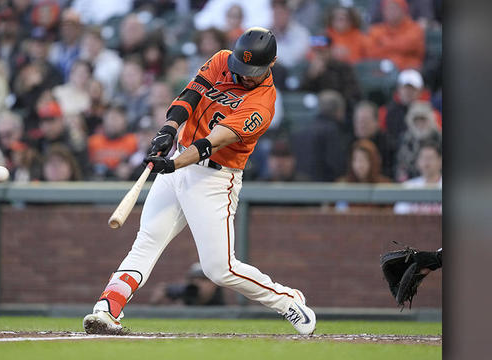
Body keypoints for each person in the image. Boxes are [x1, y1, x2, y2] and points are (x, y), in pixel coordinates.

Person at [83, 28, 316, 336]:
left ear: (270, 64)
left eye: (252, 73)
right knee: (147, 240)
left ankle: (288, 300)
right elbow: (190, 95)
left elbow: (213, 142)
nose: (244, 77)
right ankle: (107, 308)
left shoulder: (263, 103)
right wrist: (167, 129)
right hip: (180, 159)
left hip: (214, 179)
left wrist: (173, 163)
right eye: (241, 70)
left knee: (220, 269)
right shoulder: (222, 60)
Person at [291, 90, 352, 182]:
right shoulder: (332, 131)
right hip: (325, 189)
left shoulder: (303, 131)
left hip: (301, 187)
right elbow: (335, 164)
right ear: (339, 110)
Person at [300, 35, 362, 108]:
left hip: (340, 107)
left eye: (321, 51)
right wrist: (311, 76)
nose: (318, 55)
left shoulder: (342, 67)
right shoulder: (309, 69)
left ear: (330, 50)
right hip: (317, 108)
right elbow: (302, 93)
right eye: (315, 51)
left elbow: (353, 92)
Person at [366, 0, 425, 70]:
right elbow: (370, 51)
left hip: (407, 69)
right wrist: (395, 48)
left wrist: (384, 44)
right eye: (388, 8)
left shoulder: (414, 28)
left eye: (394, 8)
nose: (391, 12)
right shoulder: (376, 30)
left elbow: (408, 45)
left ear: (403, 10)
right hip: (381, 71)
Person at [395, 101, 442, 182]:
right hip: (411, 181)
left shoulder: (439, 137)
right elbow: (401, 163)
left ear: (430, 120)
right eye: (416, 120)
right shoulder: (406, 139)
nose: (420, 123)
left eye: (423, 119)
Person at [394, 140, 442, 214]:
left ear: (440, 161)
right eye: (423, 158)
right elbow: (400, 214)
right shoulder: (408, 187)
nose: (426, 162)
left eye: (430, 158)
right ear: (417, 162)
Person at [353, 101, 397, 179]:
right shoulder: (349, 142)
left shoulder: (388, 144)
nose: (361, 125)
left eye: (365, 121)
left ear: (377, 122)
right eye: (358, 121)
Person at [150, 263, 225, 306]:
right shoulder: (184, 298)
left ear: (215, 283)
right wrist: (155, 303)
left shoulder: (221, 306)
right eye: (192, 279)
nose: (196, 283)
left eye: (203, 279)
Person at [270, 0, 311, 68]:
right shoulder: (267, 32)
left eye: (280, 13)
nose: (277, 17)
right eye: (275, 14)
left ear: (288, 13)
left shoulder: (301, 33)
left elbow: (291, 60)